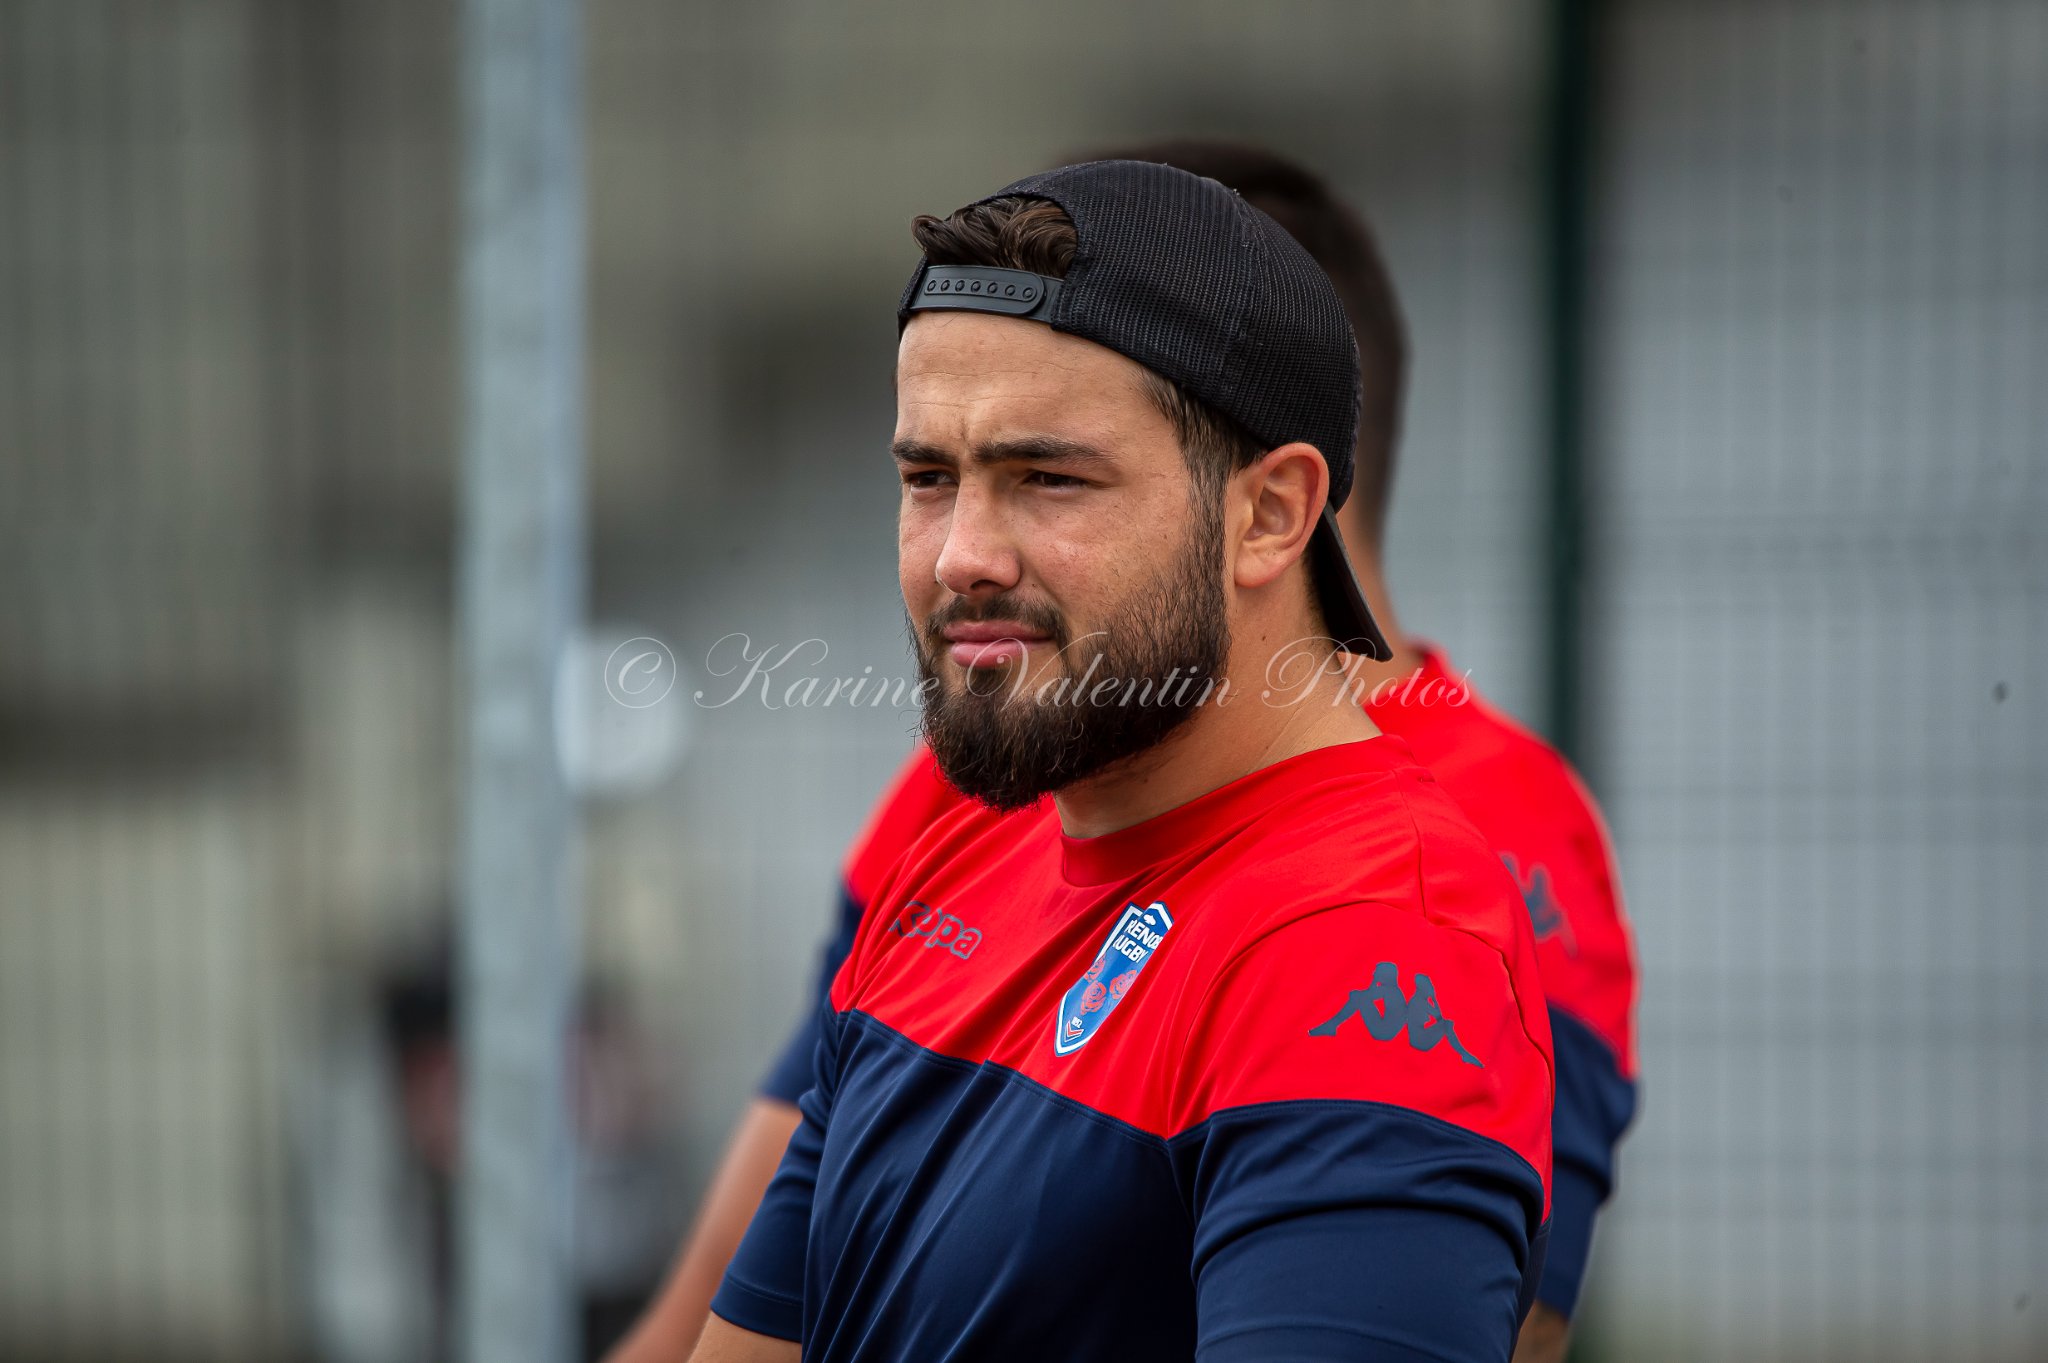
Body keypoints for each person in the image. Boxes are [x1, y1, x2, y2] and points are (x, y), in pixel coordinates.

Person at [607, 143, 1637, 1363]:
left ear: (1271, 514)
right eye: (927, 477)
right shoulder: (964, 836)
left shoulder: (1378, 930)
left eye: (1047, 478)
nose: (959, 556)